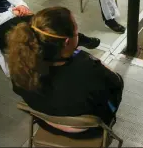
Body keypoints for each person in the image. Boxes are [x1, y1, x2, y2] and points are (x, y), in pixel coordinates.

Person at [7, 7, 124, 137]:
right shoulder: (88, 68)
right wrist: (99, 65)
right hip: (88, 131)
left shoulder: (20, 67)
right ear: (67, 41)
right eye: (76, 30)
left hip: (46, 123)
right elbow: (117, 84)